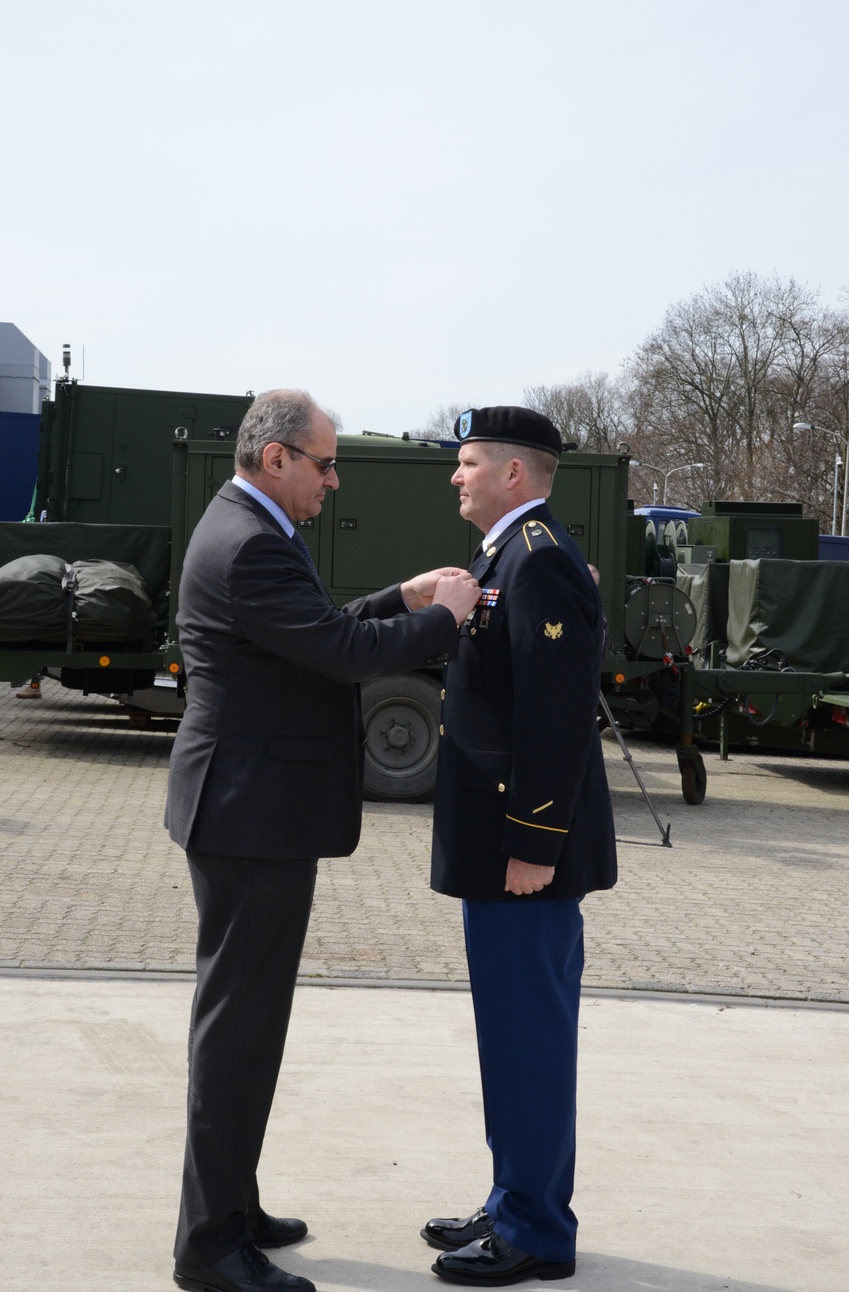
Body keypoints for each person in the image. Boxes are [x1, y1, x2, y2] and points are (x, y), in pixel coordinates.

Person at [165, 389, 481, 1292]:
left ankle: (232, 1201)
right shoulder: (251, 542)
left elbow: (310, 632)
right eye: (324, 463)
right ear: (276, 459)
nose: (334, 481)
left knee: (247, 1024)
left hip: (250, 808)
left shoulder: (250, 530)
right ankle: (211, 1247)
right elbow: (341, 652)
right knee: (239, 1030)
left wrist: (402, 595)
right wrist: (442, 618)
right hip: (249, 814)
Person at [422, 406, 618, 1288]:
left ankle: (536, 1230)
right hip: (502, 847)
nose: (456, 476)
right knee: (510, 1037)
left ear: (513, 473)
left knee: (528, 1039)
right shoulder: (507, 554)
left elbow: (558, 715)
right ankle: (515, 1198)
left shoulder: (536, 562)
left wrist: (537, 842)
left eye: (468, 463)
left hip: (522, 854)